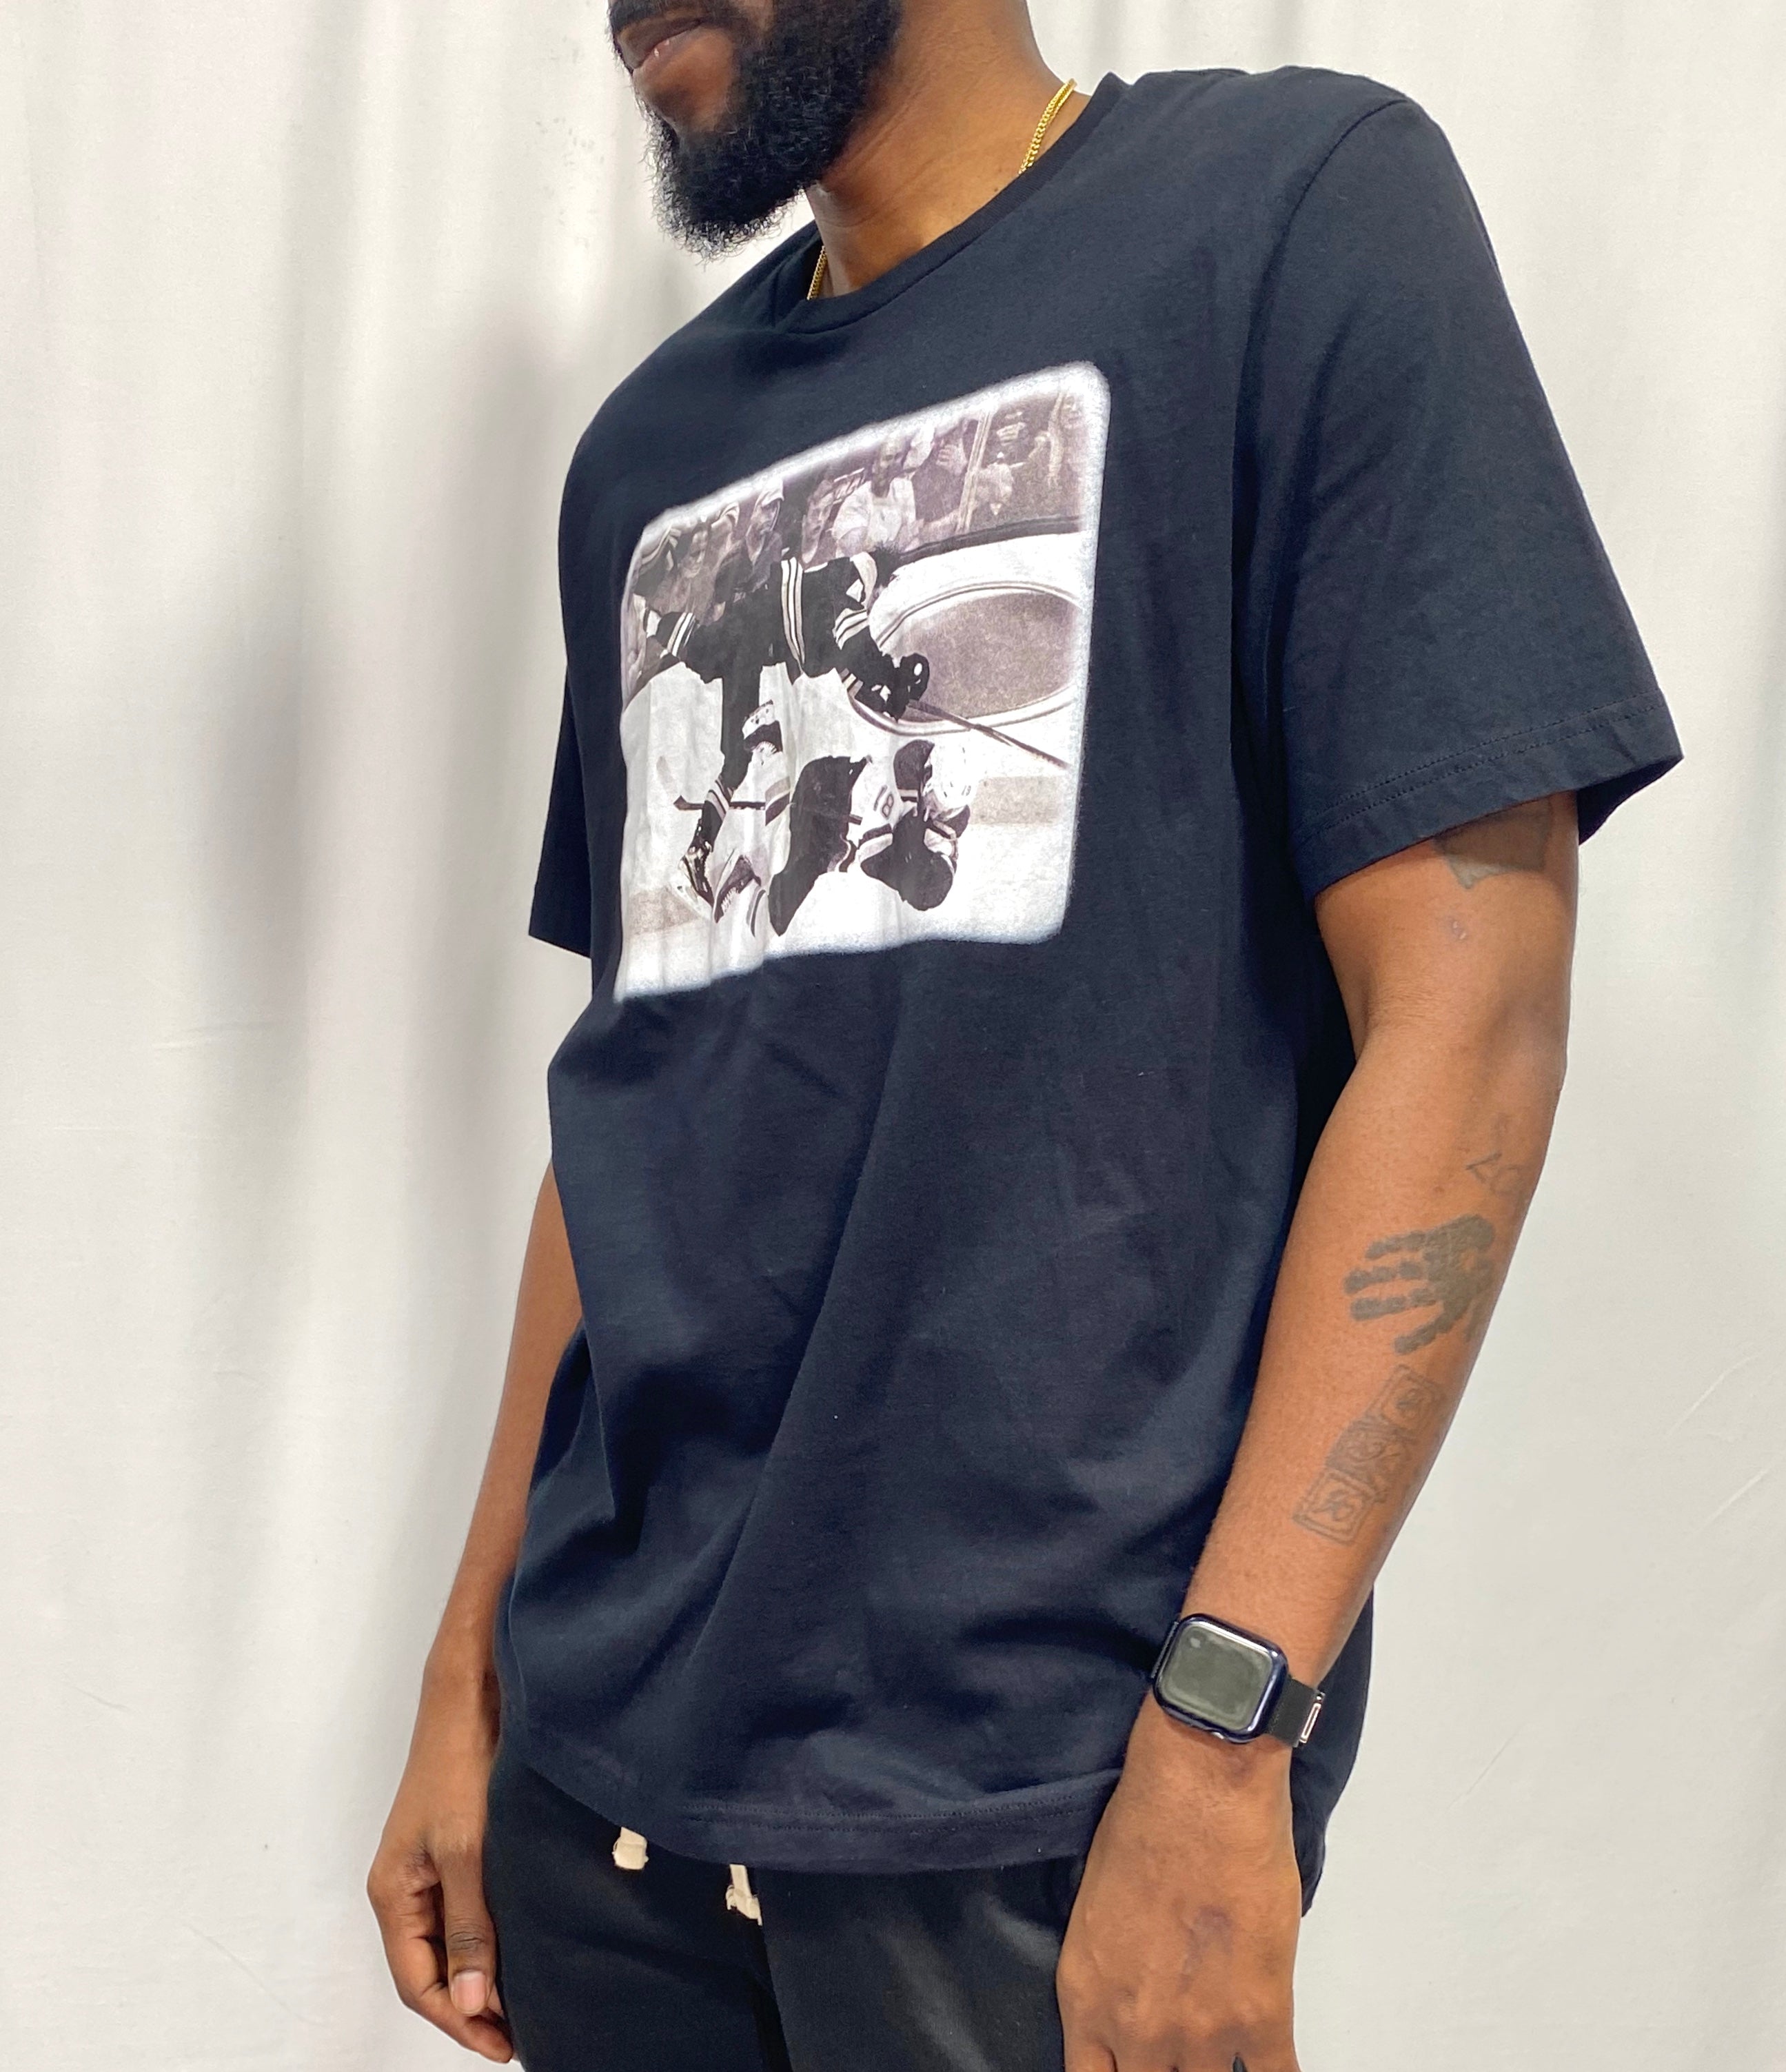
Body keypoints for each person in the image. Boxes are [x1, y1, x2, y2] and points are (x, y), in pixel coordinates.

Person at [367, 1, 1681, 2068]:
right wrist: (471, 1675)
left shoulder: (1290, 216)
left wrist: (1228, 1732)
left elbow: (1472, 1017)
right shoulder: (647, 453)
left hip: (1044, 1810)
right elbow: (631, 1101)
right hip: (603, 1784)